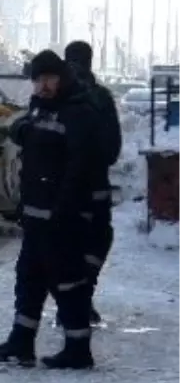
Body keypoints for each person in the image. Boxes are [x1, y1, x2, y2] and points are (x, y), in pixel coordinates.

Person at [0, 49, 100, 369]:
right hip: (35, 215)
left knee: (67, 281)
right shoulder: (40, 108)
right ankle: (21, 342)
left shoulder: (78, 112)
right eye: (38, 80)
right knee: (29, 279)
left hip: (61, 217)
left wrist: (66, 209)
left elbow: (80, 167)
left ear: (62, 79)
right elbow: (31, 137)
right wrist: (21, 129)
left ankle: (78, 349)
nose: (43, 86)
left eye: (49, 79)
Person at [63, 40, 122, 324]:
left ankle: (71, 302)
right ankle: (82, 297)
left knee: (66, 245)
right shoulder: (101, 98)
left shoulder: (54, 98)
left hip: (61, 189)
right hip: (94, 187)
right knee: (97, 240)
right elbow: (113, 148)